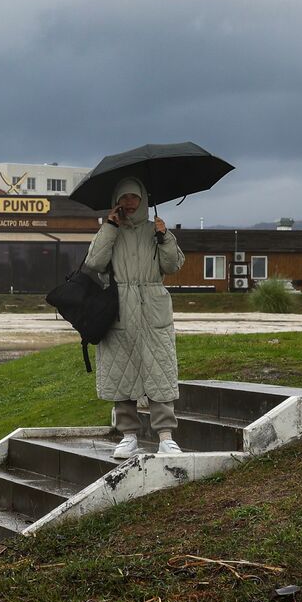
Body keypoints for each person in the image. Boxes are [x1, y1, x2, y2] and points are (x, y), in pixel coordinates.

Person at [80, 176, 185, 458]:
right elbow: (94, 263)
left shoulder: (156, 229)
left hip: (152, 307)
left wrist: (164, 237)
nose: (129, 203)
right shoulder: (110, 230)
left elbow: (172, 265)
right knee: (121, 370)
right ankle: (128, 436)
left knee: (160, 370)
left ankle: (166, 436)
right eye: (124, 197)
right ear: (117, 200)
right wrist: (109, 228)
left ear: (143, 200)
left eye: (134, 197)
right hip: (119, 307)